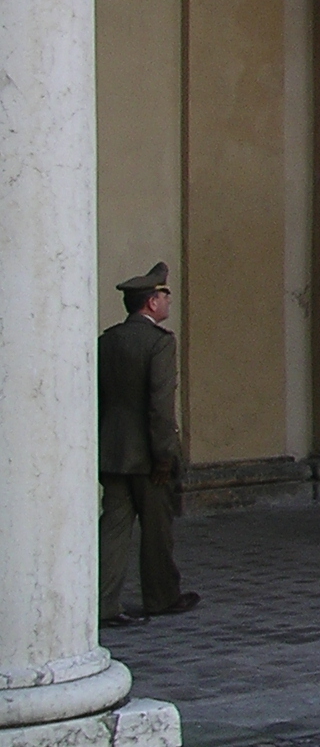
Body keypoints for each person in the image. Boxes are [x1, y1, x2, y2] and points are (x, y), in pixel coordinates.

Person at [99, 260, 194, 626]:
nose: (168, 302)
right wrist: (164, 456)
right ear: (152, 302)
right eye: (165, 296)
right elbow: (160, 405)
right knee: (156, 531)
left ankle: (102, 604)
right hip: (148, 457)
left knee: (113, 530)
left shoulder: (108, 340)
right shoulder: (159, 343)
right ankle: (161, 597)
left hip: (112, 451)